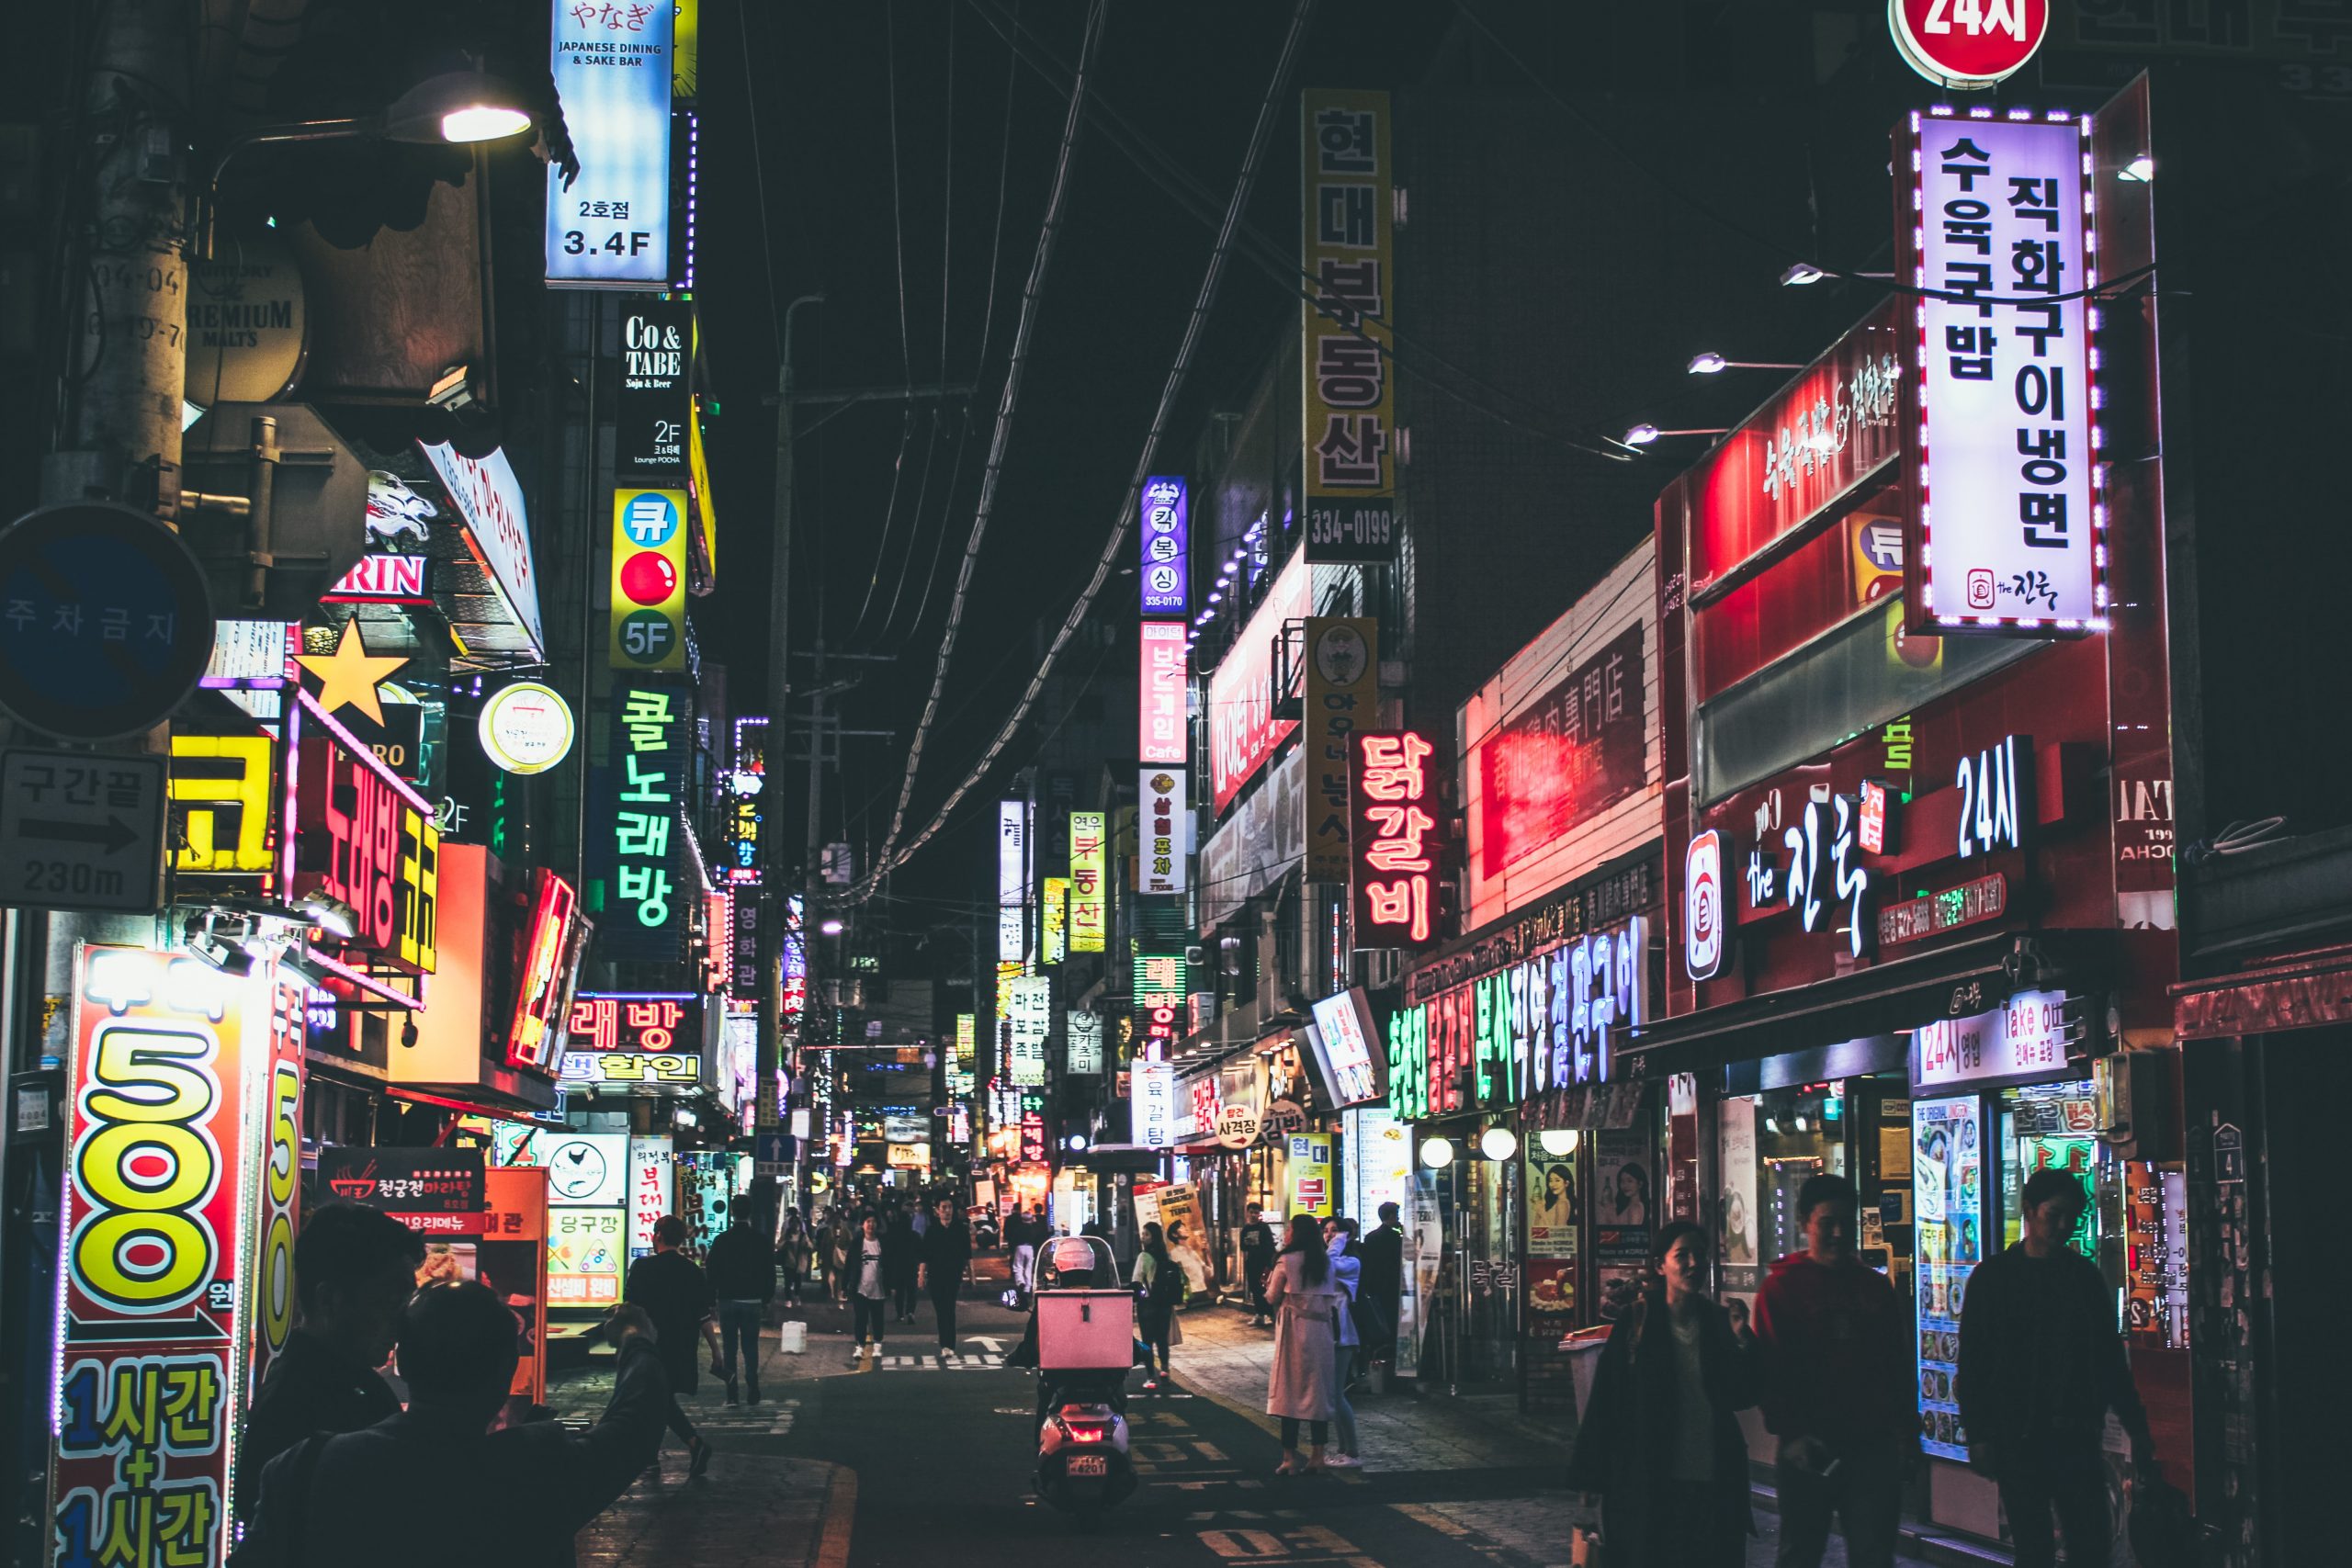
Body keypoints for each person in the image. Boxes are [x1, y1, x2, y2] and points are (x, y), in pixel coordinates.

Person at [231, 1288, 668, 1568]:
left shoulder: (304, 1467)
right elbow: (634, 1426)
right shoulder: (534, 1468)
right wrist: (635, 1340)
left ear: (402, 1360)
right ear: (505, 1371)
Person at [1958, 1168, 2156, 1568]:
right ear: (2029, 1211)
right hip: (2018, 1436)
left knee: (2089, 1544)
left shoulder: (2083, 1277)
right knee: (2035, 1548)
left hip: (2075, 1433)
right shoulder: (1994, 1278)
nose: (2065, 1226)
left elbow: (2108, 1360)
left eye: (2073, 1217)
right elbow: (1974, 1361)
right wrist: (1979, 1434)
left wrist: (2137, 1425)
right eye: (2055, 1215)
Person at [1566, 1221, 1760, 1567]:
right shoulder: (1637, 1321)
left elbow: (1741, 1395)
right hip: (1650, 1483)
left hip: (1712, 1482)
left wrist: (1743, 1340)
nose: (1693, 1264)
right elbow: (1606, 1404)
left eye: (1699, 1255)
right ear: (1660, 1265)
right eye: (1681, 1255)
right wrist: (1590, 1484)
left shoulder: (1718, 1321)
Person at [1752, 1173, 1912, 1568]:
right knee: (1801, 1552)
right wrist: (1790, 1432)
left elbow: (1896, 1364)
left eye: (1846, 1222)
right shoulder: (1781, 1289)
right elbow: (1770, 1368)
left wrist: (1907, 1434)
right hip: (1808, 1447)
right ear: (1805, 1222)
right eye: (1827, 1223)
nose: (1839, 1233)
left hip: (1871, 1446)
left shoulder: (1874, 1289)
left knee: (1874, 1553)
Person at [236, 1202, 426, 1509]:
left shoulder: (349, 1381)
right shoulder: (298, 1401)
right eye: (391, 1299)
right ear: (330, 1300)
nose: (403, 1318)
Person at [625, 1215, 718, 1477]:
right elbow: (703, 1315)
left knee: (654, 1397)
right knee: (659, 1397)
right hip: (681, 1346)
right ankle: (654, 1457)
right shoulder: (692, 1271)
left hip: (649, 1346)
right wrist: (716, 1351)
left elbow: (630, 1307)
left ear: (658, 1236)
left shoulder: (642, 1268)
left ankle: (692, 1444)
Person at [1264, 1213, 1345, 1475]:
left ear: (1295, 1233)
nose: (1287, 1233)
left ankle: (1289, 1458)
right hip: (1321, 1332)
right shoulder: (1326, 1263)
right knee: (1317, 1393)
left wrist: (1265, 1287)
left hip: (1293, 1331)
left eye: (1290, 1229)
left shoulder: (1286, 1261)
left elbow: (1272, 1295)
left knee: (1290, 1392)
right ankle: (1317, 1456)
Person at [703, 1203, 775, 1405]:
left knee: (730, 1348)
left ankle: (732, 1394)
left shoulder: (722, 1240)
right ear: (750, 1214)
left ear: (732, 1213)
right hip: (752, 1300)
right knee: (750, 1347)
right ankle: (753, 1388)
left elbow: (712, 1270)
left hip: (727, 1300)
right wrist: (766, 1298)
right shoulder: (760, 1241)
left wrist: (711, 1299)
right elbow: (769, 1271)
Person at [1322, 1217, 1364, 1468]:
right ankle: (1342, 1449)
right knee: (1332, 1395)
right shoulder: (1330, 1258)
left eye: (1334, 1231)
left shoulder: (1351, 1261)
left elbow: (1329, 1264)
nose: (1329, 1235)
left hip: (1343, 1335)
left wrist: (1339, 1239)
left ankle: (1352, 1451)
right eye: (1325, 1231)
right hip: (1329, 1333)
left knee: (1336, 1395)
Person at [919, 1194, 973, 1357]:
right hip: (935, 1276)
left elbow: (968, 1254)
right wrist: (921, 1275)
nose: (947, 1211)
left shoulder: (960, 1229)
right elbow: (925, 1256)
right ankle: (946, 1344)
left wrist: (972, 1275)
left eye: (950, 1207)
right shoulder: (932, 1231)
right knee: (941, 1310)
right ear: (937, 1211)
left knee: (949, 1309)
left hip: (953, 1275)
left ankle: (948, 1345)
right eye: (944, 1208)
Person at [1131, 1221, 1182, 1390]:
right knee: (1162, 1340)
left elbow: (1137, 1280)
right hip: (1164, 1305)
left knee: (1147, 1342)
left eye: (1146, 1234)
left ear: (1153, 1237)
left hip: (1148, 1305)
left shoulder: (1143, 1257)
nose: (1143, 1237)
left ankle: (1151, 1377)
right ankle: (1165, 1371)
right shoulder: (1165, 1255)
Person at [1357, 1201, 1405, 1370]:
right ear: (1391, 1216)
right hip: (1394, 1286)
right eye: (1397, 1215)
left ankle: (1378, 1358)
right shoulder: (1397, 1238)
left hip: (1376, 1288)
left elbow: (1368, 1264)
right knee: (1393, 1323)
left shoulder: (1371, 1237)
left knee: (1379, 1322)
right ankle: (1391, 1358)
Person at [851, 1213, 889, 1356]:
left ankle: (877, 1344)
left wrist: (891, 1285)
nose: (871, 1225)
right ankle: (860, 1346)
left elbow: (889, 1265)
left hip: (879, 1288)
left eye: (873, 1222)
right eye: (868, 1221)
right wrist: (845, 1286)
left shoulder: (882, 1243)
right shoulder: (857, 1243)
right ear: (862, 1225)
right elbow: (850, 1264)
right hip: (860, 1288)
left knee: (878, 1318)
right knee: (861, 1318)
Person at [1238, 1202, 1278, 1326]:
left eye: (1256, 1212)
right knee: (1255, 1289)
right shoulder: (1245, 1229)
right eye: (1251, 1212)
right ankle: (1259, 1314)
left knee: (1265, 1288)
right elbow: (1243, 1246)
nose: (1254, 1215)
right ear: (1247, 1213)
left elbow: (1269, 1246)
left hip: (1264, 1264)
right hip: (1252, 1263)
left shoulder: (1264, 1228)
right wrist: (1248, 1244)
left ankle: (1270, 1314)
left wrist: (1270, 1263)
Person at [884, 1201, 921, 1323]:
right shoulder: (915, 1236)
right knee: (911, 1290)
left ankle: (900, 1314)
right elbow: (920, 1251)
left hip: (898, 1266)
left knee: (899, 1292)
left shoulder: (894, 1234)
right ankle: (910, 1312)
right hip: (911, 1265)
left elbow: (889, 1252)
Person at [776, 1208, 813, 1307]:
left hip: (799, 1262)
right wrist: (785, 1243)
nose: (795, 1226)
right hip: (788, 1261)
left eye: (797, 1224)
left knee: (798, 1281)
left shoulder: (803, 1236)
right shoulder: (787, 1235)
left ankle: (796, 1296)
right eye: (793, 1224)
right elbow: (778, 1245)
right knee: (788, 1281)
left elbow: (810, 1246)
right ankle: (788, 1299)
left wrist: (806, 1245)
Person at [1009, 1206, 1039, 1299]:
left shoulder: (1018, 1228)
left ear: (1022, 1219)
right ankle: (1027, 1287)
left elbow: (1013, 1239)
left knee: (1018, 1267)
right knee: (1028, 1268)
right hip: (1030, 1248)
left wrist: (1011, 1250)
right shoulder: (1033, 1228)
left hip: (1020, 1247)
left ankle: (1020, 1282)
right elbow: (1035, 1239)